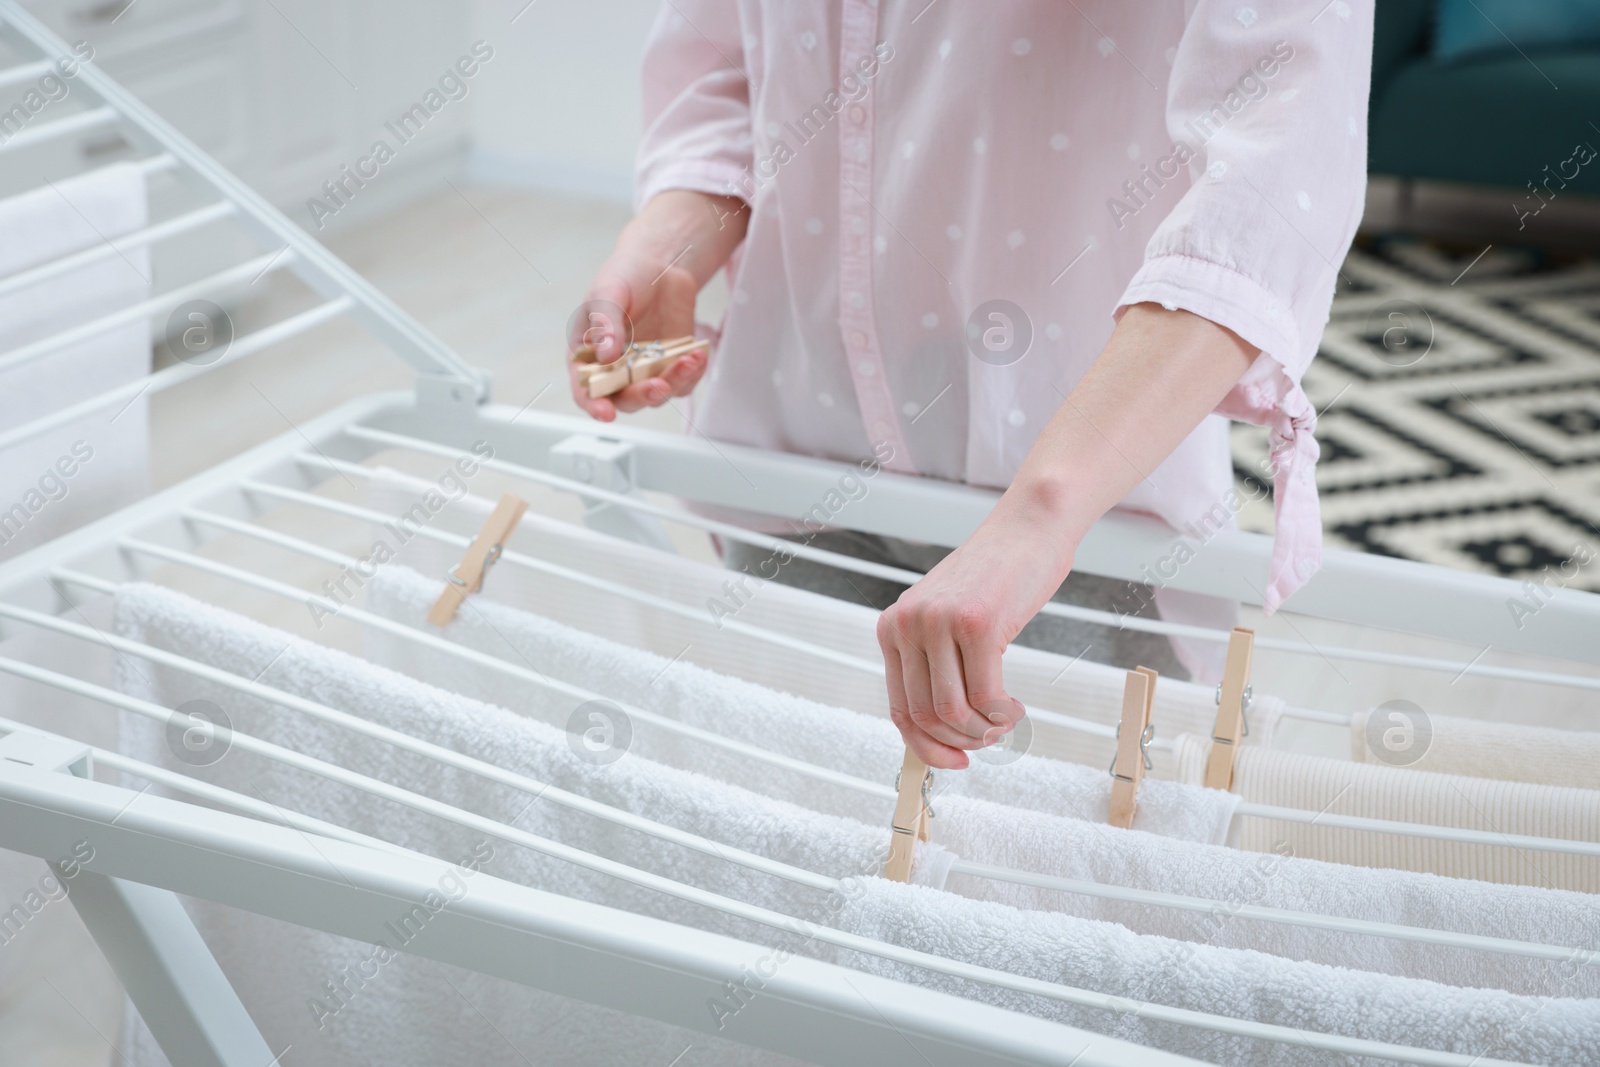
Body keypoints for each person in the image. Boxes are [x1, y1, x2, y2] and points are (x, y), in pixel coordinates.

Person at [569, 2, 1372, 771]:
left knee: (1057, 857)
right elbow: (727, 59)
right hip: (795, 448)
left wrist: (1040, 517)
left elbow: (1271, 186)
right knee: (798, 810)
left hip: (1078, 502)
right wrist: (671, 242)